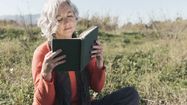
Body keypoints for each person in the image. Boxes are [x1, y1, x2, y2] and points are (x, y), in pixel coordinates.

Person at [32, 0, 140, 105]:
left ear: (75, 17)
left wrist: (99, 64)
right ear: (50, 24)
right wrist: (46, 74)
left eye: (70, 16)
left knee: (130, 94)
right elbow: (42, 103)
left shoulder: (82, 45)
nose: (67, 22)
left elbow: (97, 87)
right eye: (59, 19)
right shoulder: (42, 53)